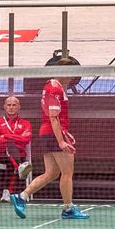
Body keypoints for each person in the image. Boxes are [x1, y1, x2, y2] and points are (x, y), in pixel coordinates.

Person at [12, 62, 90, 220]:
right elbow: (53, 118)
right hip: (53, 134)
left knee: (52, 173)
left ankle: (21, 197)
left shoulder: (53, 86)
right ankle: (68, 209)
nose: (73, 76)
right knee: (67, 172)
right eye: (71, 72)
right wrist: (61, 141)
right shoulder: (54, 89)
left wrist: (65, 133)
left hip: (49, 133)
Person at [0, 94, 33, 199]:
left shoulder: (26, 123)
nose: (11, 107)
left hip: (20, 155)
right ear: (5, 107)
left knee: (11, 158)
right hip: (1, 155)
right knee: (10, 149)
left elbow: (26, 139)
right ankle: (19, 168)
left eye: (14, 105)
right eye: (9, 105)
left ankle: (7, 192)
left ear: (19, 107)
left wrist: (5, 136)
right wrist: (17, 138)